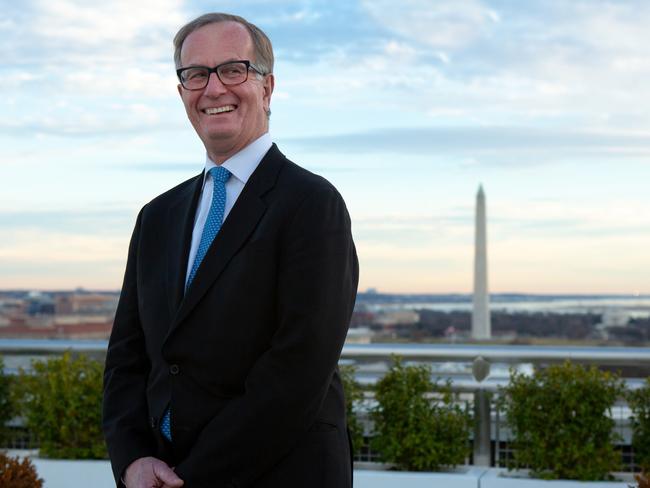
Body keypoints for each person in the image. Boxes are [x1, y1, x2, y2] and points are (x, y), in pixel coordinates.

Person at [102, 12, 358, 488]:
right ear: (182, 92)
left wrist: (193, 478)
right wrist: (133, 459)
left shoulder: (312, 204)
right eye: (195, 74)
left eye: (232, 69)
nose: (213, 88)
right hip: (159, 472)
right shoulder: (156, 216)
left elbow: (298, 369)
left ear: (267, 87)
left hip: (280, 473)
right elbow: (127, 358)